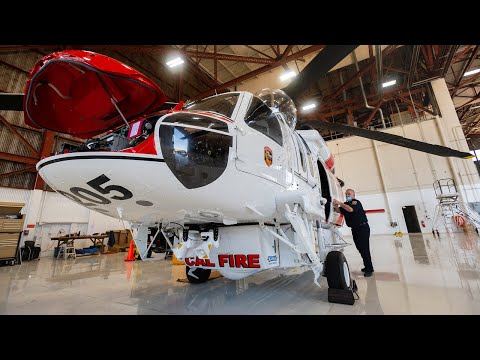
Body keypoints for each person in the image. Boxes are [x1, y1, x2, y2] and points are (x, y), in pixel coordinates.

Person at [333, 189, 374, 277]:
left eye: (349, 194)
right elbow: (339, 211)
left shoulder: (356, 202)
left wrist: (339, 203)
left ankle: (369, 269)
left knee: (364, 248)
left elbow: (350, 210)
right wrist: (336, 205)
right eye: (346, 194)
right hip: (355, 229)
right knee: (359, 248)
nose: (347, 195)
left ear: (353, 196)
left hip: (362, 228)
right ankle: (367, 266)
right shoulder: (345, 204)